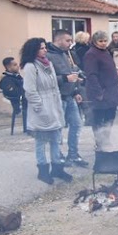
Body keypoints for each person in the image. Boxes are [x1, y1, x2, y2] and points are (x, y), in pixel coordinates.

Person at [20, 38, 71, 184]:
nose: (45, 50)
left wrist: (57, 104)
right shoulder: (30, 66)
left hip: (54, 105)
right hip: (41, 107)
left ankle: (57, 167)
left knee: (56, 139)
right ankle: (42, 170)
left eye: (45, 48)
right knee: (41, 141)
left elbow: (54, 86)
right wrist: (39, 108)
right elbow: (30, 90)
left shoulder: (49, 64)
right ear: (34, 50)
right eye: (41, 48)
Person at [47, 29, 87, 167]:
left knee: (76, 124)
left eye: (71, 40)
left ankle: (73, 154)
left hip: (70, 96)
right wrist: (65, 78)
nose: (70, 43)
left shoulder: (66, 54)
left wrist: (76, 90)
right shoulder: (48, 56)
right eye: (67, 40)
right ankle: (57, 155)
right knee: (58, 129)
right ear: (58, 40)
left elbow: (71, 72)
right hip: (58, 98)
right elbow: (48, 79)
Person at [83, 31, 118, 151]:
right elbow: (91, 75)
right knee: (99, 119)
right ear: (95, 42)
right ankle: (100, 143)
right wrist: (98, 92)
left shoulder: (105, 52)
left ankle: (106, 140)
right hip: (101, 93)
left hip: (111, 92)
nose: (103, 43)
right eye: (100, 41)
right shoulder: (91, 54)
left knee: (110, 118)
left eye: (105, 41)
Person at [0, 56, 27, 133]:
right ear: (8, 67)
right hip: (18, 102)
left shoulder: (16, 76)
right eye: (15, 65)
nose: (18, 66)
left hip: (24, 98)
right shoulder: (7, 79)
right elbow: (14, 93)